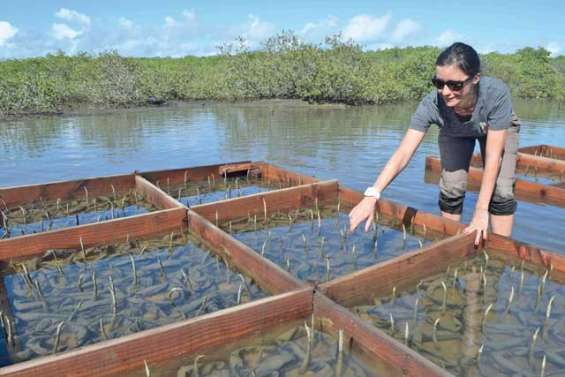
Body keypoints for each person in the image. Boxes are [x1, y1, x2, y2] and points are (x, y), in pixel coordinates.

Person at [348, 42, 519, 245]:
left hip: (493, 128)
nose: (445, 92)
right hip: (454, 129)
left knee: (502, 191)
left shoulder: (496, 94)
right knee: (451, 187)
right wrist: (372, 194)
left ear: (475, 79)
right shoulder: (432, 105)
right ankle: (452, 244)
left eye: (455, 85)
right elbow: (403, 152)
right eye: (439, 83)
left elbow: (492, 158)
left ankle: (499, 255)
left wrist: (481, 211)